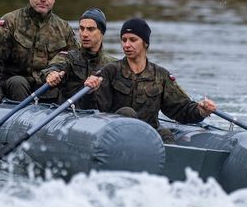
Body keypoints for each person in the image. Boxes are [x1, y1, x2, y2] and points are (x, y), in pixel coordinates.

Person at [84, 17, 216, 143]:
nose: (127, 45)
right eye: (124, 40)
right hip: (116, 136)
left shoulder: (161, 75)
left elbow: (181, 108)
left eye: (133, 40)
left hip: (150, 137)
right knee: (127, 113)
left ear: (145, 43)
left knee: (165, 135)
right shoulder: (110, 71)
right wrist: (91, 91)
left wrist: (201, 111)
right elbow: (95, 111)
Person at [0, 0, 79, 103]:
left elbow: (74, 59)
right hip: (14, 86)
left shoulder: (64, 29)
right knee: (18, 82)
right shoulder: (10, 22)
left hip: (47, 86)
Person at [41, 8, 116, 109]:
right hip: (70, 114)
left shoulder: (112, 65)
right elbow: (54, 67)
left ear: (102, 32)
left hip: (99, 117)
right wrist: (51, 74)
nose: (84, 34)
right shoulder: (68, 57)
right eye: (81, 28)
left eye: (90, 29)